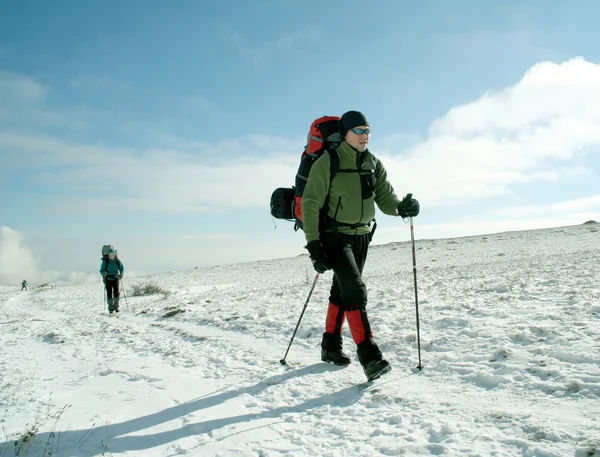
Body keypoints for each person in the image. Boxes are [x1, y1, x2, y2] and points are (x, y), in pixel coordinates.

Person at [301, 110, 420, 381]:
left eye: (368, 131)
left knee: (342, 292)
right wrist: (314, 245)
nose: (365, 136)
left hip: (363, 236)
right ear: (346, 134)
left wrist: (403, 207)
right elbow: (310, 204)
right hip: (335, 235)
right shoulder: (328, 162)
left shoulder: (374, 164)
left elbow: (385, 198)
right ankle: (370, 356)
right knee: (355, 290)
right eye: (359, 131)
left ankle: (330, 347)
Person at [100, 249, 124, 313]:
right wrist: (103, 273)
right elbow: (101, 270)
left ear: (115, 255)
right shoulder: (106, 262)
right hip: (108, 279)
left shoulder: (117, 261)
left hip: (116, 279)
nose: (112, 256)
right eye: (110, 255)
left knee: (116, 293)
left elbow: (121, 268)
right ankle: (110, 308)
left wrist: (121, 274)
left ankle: (116, 307)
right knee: (109, 293)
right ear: (108, 255)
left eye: (113, 255)